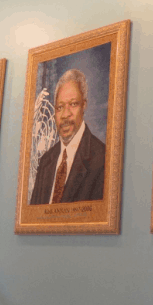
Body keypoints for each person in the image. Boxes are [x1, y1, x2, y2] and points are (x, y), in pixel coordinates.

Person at [30, 69, 105, 205]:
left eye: (73, 104)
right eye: (59, 107)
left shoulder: (102, 159)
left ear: (84, 106)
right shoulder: (45, 161)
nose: (65, 114)